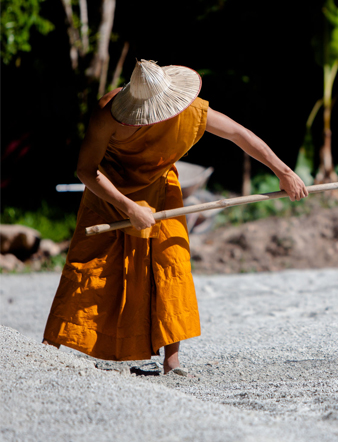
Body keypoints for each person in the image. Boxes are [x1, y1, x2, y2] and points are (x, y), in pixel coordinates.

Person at [43, 59, 308, 375]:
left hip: (160, 188)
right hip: (110, 191)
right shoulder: (108, 114)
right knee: (90, 265)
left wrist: (283, 171)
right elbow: (86, 170)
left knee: (171, 263)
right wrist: (129, 207)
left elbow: (238, 133)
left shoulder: (188, 109)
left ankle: (172, 361)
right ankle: (49, 349)